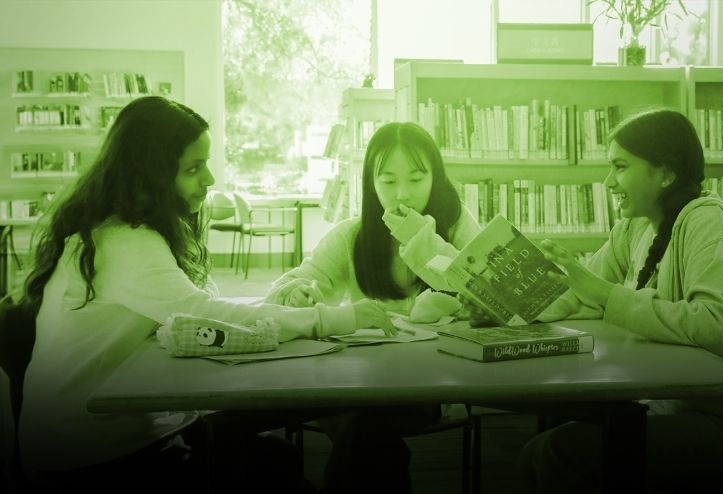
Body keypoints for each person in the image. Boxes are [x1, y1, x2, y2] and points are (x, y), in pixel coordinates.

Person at [16, 96, 394, 493]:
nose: (210, 180)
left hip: (90, 435)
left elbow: (190, 313)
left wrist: (275, 313)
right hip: (88, 456)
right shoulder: (126, 243)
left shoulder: (110, 230)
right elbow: (204, 315)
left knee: (273, 458)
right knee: (274, 466)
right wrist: (335, 318)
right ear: (150, 177)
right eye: (194, 168)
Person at [518, 109, 723, 492]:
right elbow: (579, 296)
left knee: (560, 451)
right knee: (542, 448)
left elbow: (715, 327)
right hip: (679, 406)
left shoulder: (708, 222)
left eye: (620, 167)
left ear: (666, 174)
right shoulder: (634, 226)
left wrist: (604, 294)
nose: (607, 182)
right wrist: (504, 309)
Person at [265, 121, 481, 493]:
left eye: (416, 179)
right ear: (370, 183)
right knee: (364, 423)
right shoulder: (353, 235)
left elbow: (488, 287)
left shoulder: (458, 226)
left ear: (436, 177)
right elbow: (283, 290)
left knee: (364, 426)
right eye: (388, 181)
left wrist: (422, 240)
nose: (403, 194)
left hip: (427, 383)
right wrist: (298, 293)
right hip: (357, 382)